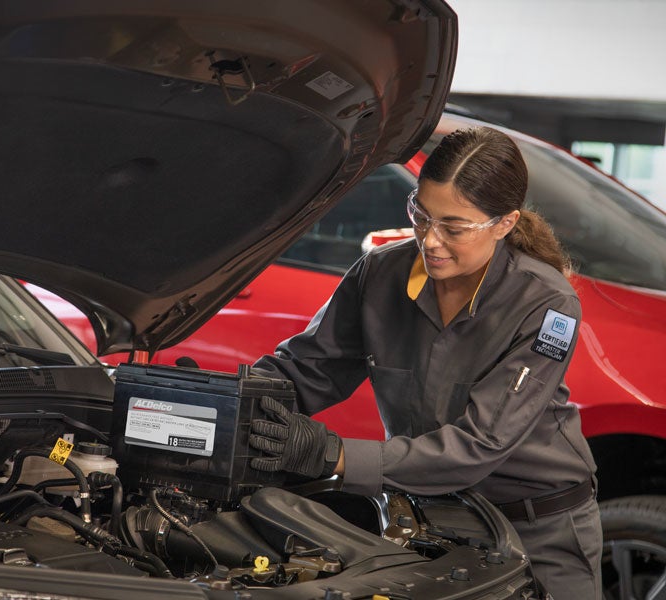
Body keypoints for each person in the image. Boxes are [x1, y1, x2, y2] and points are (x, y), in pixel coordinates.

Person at [248, 126, 602, 598]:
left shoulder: (548, 305)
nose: (430, 241)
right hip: (427, 517)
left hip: (540, 527)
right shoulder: (379, 274)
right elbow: (306, 370)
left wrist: (334, 454)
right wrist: (232, 398)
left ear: (504, 223)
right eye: (421, 215)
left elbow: (479, 445)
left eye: (454, 228)